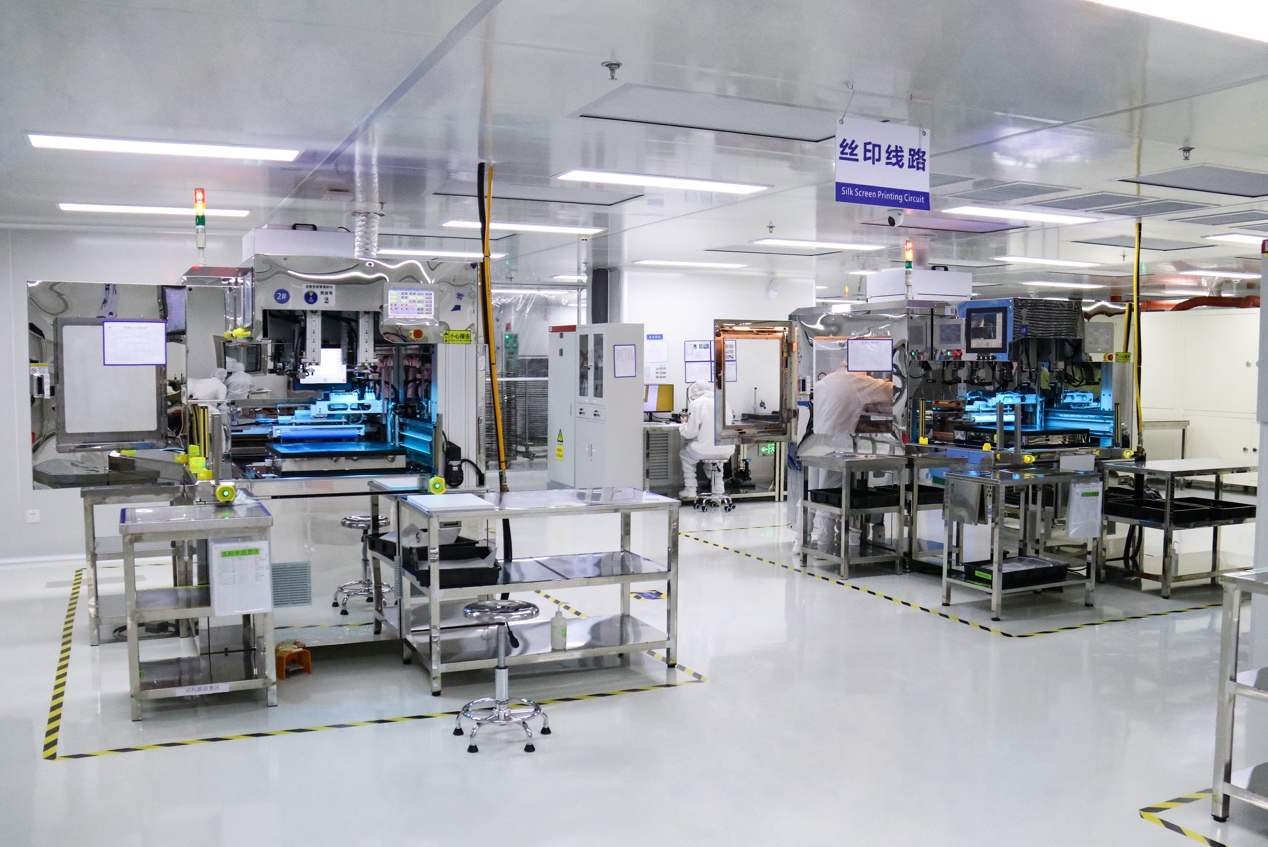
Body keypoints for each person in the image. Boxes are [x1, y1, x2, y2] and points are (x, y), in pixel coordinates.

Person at [806, 361, 893, 548]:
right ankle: (825, 546)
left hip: (814, 444)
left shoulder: (826, 381)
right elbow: (891, 392)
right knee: (830, 495)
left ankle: (801, 542)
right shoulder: (857, 381)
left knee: (812, 494)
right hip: (837, 446)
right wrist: (889, 380)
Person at [677, 382, 734, 498]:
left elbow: (689, 433)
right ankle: (718, 489)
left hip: (704, 449)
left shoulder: (696, 404)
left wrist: (683, 424)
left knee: (685, 455)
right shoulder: (723, 402)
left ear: (694, 392)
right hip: (726, 449)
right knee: (717, 460)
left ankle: (690, 489)